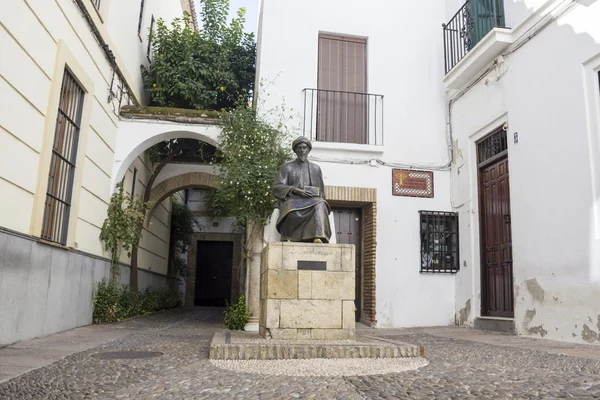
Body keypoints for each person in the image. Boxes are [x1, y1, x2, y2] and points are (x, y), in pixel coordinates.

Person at [272, 136, 332, 243]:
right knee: (289, 207)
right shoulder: (287, 167)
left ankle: (318, 236)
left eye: (304, 148)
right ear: (295, 150)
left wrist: (323, 204)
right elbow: (277, 187)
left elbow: (321, 191)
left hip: (311, 200)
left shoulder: (316, 169)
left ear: (308, 150)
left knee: (320, 204)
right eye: (299, 148)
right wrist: (295, 190)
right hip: (292, 199)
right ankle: (289, 237)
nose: (302, 150)